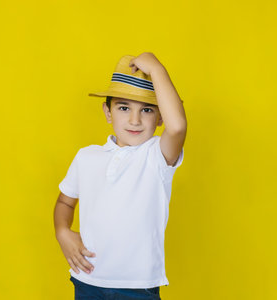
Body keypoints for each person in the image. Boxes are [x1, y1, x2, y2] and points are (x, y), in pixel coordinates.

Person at [54, 52, 187, 300]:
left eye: (147, 110)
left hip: (136, 288)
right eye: (124, 107)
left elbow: (177, 126)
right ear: (107, 112)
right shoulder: (87, 157)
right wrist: (62, 231)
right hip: (87, 281)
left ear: (160, 118)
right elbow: (65, 201)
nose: (134, 120)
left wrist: (157, 69)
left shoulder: (156, 156)